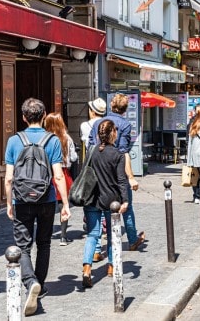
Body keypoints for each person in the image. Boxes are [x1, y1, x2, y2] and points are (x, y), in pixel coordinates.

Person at [5, 98, 71, 316]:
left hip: (22, 199)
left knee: (23, 246)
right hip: (46, 199)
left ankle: (30, 281)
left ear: (23, 117)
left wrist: (9, 202)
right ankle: (39, 284)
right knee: (44, 243)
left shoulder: (14, 140)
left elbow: (8, 178)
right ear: (43, 117)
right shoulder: (52, 140)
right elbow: (58, 175)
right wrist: (65, 203)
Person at [90, 93, 145, 259]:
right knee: (126, 205)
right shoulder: (125, 125)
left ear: (111, 105)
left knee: (98, 208)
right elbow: (123, 152)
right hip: (116, 168)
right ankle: (133, 239)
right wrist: (130, 176)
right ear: (125, 109)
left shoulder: (98, 122)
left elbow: (92, 145)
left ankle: (97, 250)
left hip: (97, 168)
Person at [81, 119, 129, 288]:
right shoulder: (117, 155)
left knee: (93, 235)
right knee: (112, 236)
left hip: (92, 198)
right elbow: (121, 180)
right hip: (111, 199)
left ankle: (87, 268)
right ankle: (111, 266)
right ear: (112, 134)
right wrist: (125, 200)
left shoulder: (91, 151)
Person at [44, 112, 77, 246]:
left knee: (48, 205)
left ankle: (47, 233)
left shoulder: (45, 138)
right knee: (64, 204)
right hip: (63, 173)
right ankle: (63, 236)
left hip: (48, 173)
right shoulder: (66, 138)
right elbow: (73, 157)